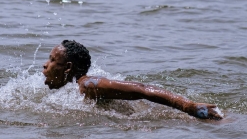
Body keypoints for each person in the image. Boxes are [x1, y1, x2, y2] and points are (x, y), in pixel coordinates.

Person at [42, 40, 224, 120]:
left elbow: (141, 89)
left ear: (68, 68)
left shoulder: (88, 85)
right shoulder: (75, 88)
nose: (45, 65)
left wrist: (187, 106)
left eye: (51, 60)